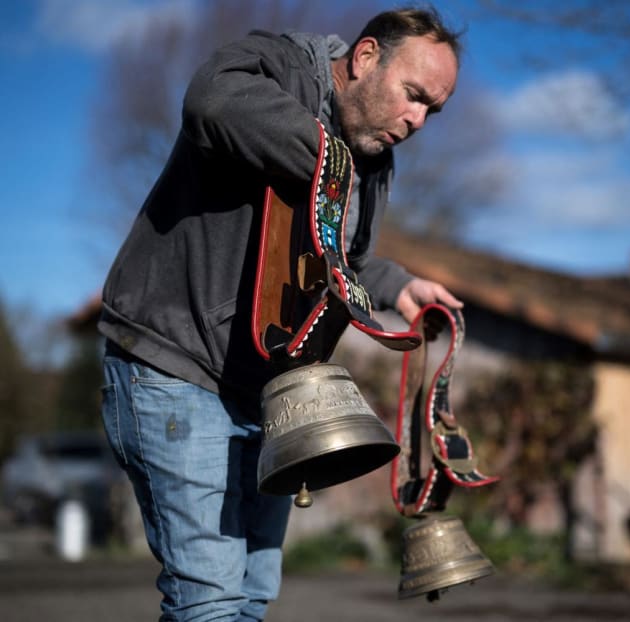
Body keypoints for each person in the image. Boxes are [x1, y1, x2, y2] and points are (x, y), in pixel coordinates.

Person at [98, 6, 463, 621]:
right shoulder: (280, 65)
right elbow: (211, 98)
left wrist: (400, 286)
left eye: (433, 110)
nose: (418, 120)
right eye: (414, 95)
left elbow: (340, 258)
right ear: (367, 56)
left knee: (250, 597)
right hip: (174, 363)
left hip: (268, 394)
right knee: (209, 599)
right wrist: (330, 160)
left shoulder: (373, 159)